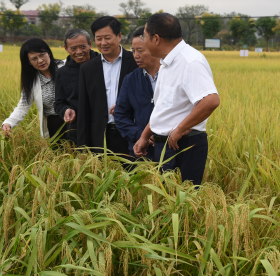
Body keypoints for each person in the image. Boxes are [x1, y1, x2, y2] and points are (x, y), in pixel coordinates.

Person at [133, 13, 220, 185]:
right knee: (167, 201)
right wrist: (145, 136)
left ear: (156, 39)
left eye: (144, 36)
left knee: (183, 204)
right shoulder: (167, 63)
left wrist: (180, 129)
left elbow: (210, 101)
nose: (143, 40)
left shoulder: (190, 62)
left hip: (183, 145)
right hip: (165, 145)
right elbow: (164, 107)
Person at [78, 16, 138, 154]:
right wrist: (82, 147)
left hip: (131, 135)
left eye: (107, 37)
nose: (103, 42)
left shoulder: (136, 63)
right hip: (99, 137)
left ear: (119, 36)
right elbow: (83, 109)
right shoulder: (87, 69)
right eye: (99, 38)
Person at [2, 38, 66, 139]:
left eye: (42, 55)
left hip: (78, 120)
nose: (40, 60)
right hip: (55, 127)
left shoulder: (67, 66)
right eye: (34, 58)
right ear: (29, 62)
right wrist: (9, 123)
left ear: (48, 53)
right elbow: (23, 105)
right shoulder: (32, 81)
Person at [114, 26, 160, 161]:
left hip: (171, 147)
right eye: (133, 51)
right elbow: (120, 114)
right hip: (141, 150)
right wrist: (140, 135)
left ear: (155, 48)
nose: (135, 55)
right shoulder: (131, 79)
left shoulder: (171, 76)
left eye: (140, 50)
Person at [54, 28, 98, 144]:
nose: (79, 52)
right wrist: (66, 110)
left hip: (104, 129)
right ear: (66, 48)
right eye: (73, 48)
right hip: (77, 131)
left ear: (90, 44)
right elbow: (59, 103)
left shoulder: (103, 65)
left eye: (83, 47)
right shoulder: (62, 73)